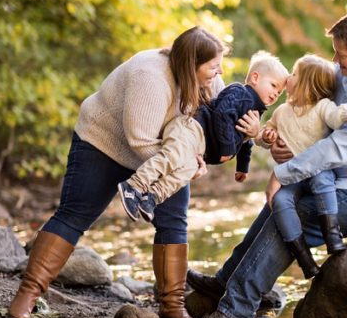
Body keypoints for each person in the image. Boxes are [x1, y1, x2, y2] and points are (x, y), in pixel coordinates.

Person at [190, 11, 347, 318]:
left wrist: (282, 173)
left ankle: (238, 310)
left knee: (293, 212)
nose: (334, 61)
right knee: (280, 202)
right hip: (340, 175)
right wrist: (281, 142)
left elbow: (335, 151)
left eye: (341, 55)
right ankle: (225, 283)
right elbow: (308, 100)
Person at [7, 26, 227, 318]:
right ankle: (27, 294)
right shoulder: (150, 77)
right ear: (192, 65)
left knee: (174, 221)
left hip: (163, 155)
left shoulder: (211, 81)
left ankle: (172, 307)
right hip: (103, 144)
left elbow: (217, 126)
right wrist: (184, 164)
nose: (220, 72)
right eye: (214, 66)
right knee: (75, 215)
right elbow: (138, 141)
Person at [117, 50, 289, 222]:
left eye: (280, 92)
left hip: (200, 149)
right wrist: (228, 148)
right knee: (172, 156)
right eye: (273, 85)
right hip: (193, 129)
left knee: (186, 171)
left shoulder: (255, 113)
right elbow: (222, 114)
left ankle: (152, 198)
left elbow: (245, 141)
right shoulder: (239, 93)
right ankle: (134, 185)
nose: (275, 93)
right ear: (255, 78)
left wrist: (242, 167)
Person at [253, 54, 347, 277]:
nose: (288, 78)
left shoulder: (322, 107)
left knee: (323, 180)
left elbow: (335, 114)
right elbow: (262, 137)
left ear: (306, 84)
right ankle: (303, 257)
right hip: (291, 177)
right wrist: (267, 136)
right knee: (280, 200)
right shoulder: (282, 111)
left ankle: (332, 236)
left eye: (294, 74)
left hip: (316, 169)